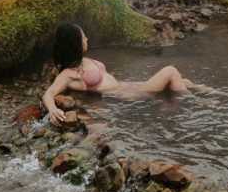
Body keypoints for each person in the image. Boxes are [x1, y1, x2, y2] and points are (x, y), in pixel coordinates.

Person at [42, 23, 215, 127]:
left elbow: (54, 72)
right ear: (75, 44)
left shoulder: (79, 62)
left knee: (184, 81)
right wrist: (53, 109)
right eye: (84, 37)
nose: (87, 40)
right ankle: (199, 103)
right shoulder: (68, 73)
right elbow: (49, 93)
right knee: (170, 71)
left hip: (131, 85)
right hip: (127, 94)